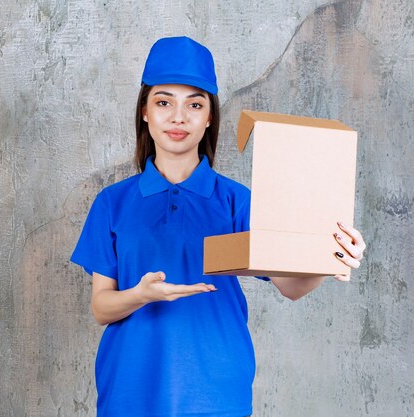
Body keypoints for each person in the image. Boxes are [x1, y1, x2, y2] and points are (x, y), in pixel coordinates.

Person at [71, 36, 366, 417]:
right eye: (164, 102)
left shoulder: (236, 201)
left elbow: (290, 286)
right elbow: (101, 306)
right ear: (144, 110)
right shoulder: (112, 203)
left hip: (216, 396)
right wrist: (141, 294)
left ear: (210, 116)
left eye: (195, 104)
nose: (179, 117)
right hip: (130, 393)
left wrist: (329, 257)